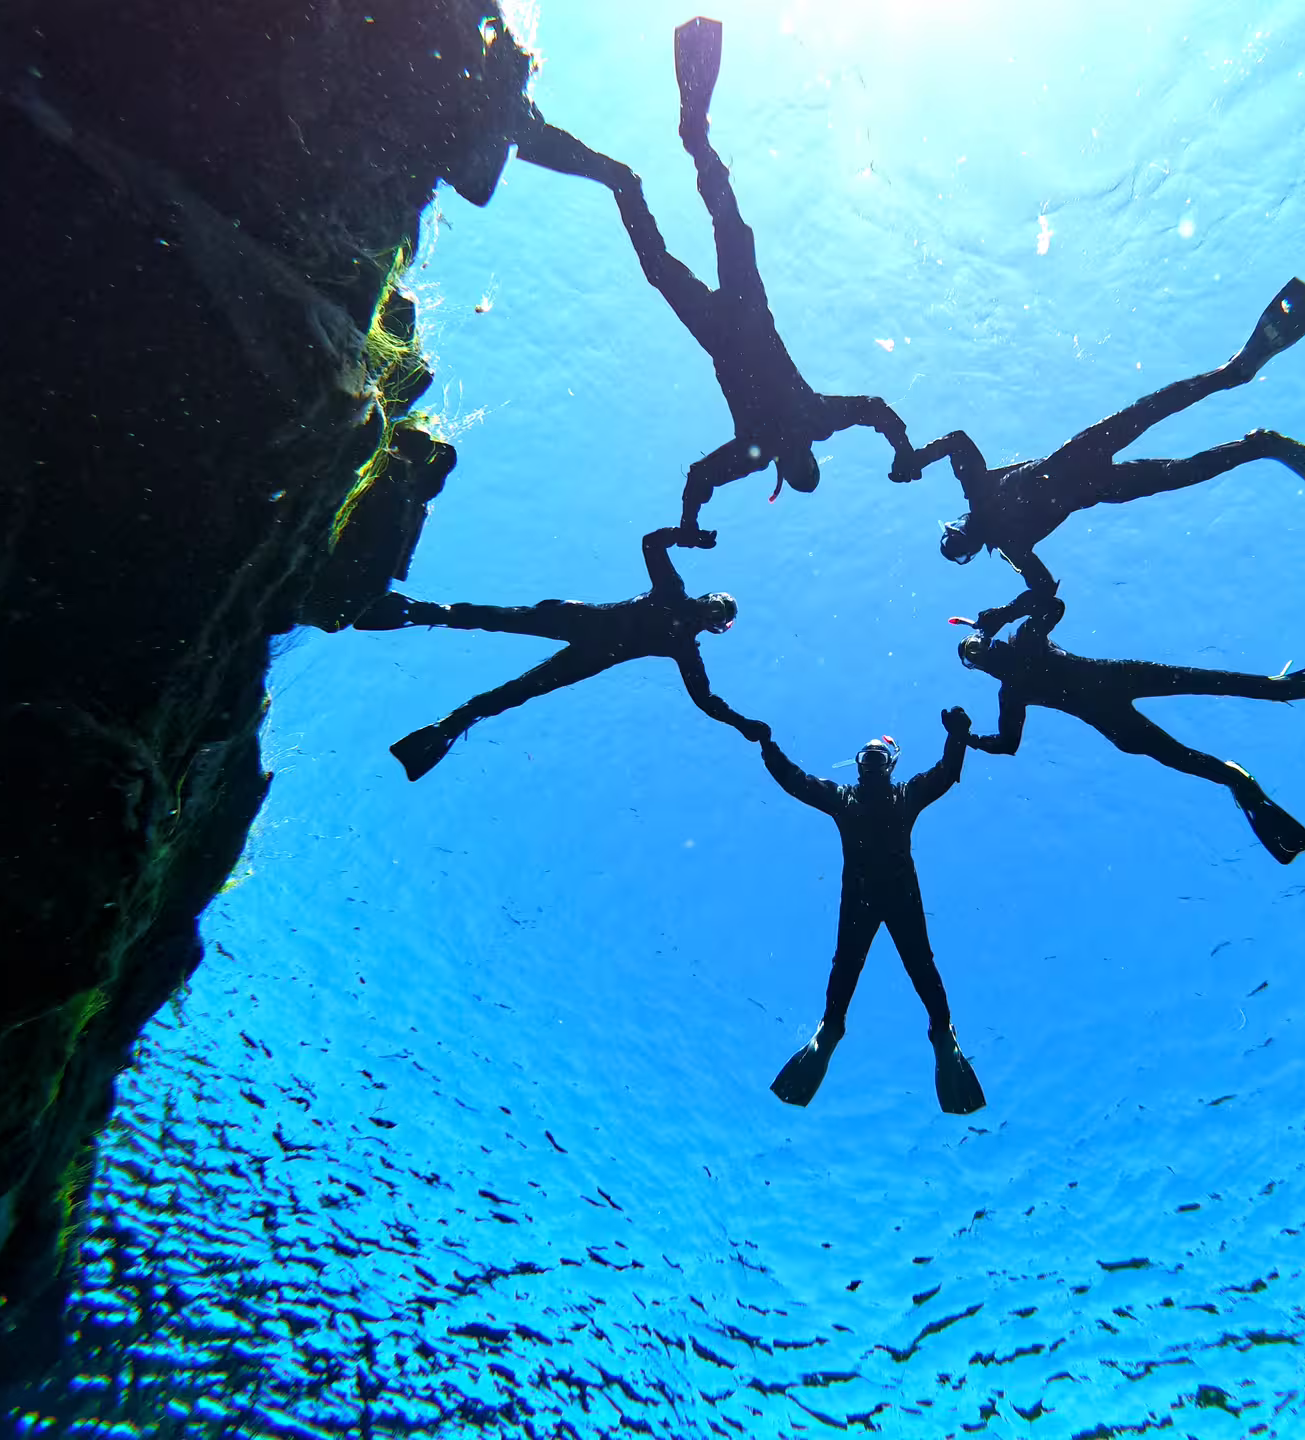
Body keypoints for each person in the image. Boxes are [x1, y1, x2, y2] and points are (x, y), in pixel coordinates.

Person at [608, 18, 915, 534]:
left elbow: (699, 478)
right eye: (808, 465)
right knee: (725, 227)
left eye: (797, 470)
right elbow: (877, 411)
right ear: (811, 458)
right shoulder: (815, 420)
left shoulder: (759, 450)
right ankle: (691, 143)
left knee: (677, 259)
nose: (798, 460)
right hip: (747, 314)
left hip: (723, 331)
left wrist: (688, 524)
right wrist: (902, 449)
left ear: (784, 470)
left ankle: (625, 185)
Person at [899, 278, 1305, 592]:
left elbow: (958, 440)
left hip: (1077, 460)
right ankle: (1256, 443)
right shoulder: (1011, 547)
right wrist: (1007, 617)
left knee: (1155, 413)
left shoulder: (981, 497)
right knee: (1179, 466)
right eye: (960, 547)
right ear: (971, 549)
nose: (962, 536)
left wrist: (917, 458)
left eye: (952, 535)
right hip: (1098, 484)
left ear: (956, 523)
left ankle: (1236, 377)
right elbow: (1046, 590)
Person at [952, 588, 1305, 864]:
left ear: (985, 640)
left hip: (1114, 695)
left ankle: (1284, 694)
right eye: (971, 656)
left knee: (1204, 687)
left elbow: (1051, 602)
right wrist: (969, 737)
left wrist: (970, 738)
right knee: (1191, 721)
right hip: (1114, 695)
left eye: (974, 647)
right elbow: (1008, 742)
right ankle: (1238, 772)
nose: (978, 654)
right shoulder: (1013, 681)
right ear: (979, 664)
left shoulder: (1020, 658)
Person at [359, 528, 764, 780]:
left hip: (589, 647)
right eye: (716, 607)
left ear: (715, 626)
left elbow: (705, 699)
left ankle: (445, 726)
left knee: (515, 682)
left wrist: (741, 722)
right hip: (584, 629)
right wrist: (687, 534)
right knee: (498, 623)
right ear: (710, 602)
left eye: (718, 616)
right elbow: (651, 543)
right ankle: (416, 613)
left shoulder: (683, 640)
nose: (711, 613)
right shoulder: (674, 600)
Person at [753, 709, 986, 1114]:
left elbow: (946, 773)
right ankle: (835, 1029)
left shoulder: (898, 795)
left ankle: (936, 1033)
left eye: (878, 758)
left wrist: (958, 737)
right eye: (868, 758)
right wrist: (768, 747)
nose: (873, 764)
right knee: (868, 964)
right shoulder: (849, 798)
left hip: (882, 895)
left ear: (889, 766)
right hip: (881, 894)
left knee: (911, 964)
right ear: (859, 765)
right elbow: (798, 783)